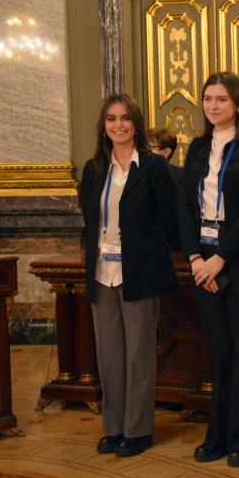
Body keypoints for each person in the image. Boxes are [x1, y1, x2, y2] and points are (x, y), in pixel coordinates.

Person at [178, 72, 239, 465]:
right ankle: (218, 433)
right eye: (207, 99)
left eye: (221, 99)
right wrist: (197, 259)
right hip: (203, 262)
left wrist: (222, 259)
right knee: (219, 350)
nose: (213, 106)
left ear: (237, 104)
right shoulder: (198, 147)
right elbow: (185, 206)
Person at [78, 93, 179, 457]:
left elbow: (170, 219)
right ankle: (114, 426)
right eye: (110, 119)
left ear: (135, 122)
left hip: (140, 273)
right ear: (103, 126)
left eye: (124, 118)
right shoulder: (93, 169)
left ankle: (138, 430)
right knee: (109, 356)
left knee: (138, 355)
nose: (118, 125)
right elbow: (90, 222)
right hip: (102, 272)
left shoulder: (152, 166)